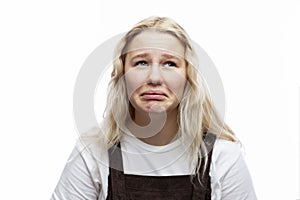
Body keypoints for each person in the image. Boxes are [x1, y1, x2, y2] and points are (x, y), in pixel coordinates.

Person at [51, 16, 257, 200]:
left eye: (170, 64)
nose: (155, 78)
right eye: (141, 62)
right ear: (123, 76)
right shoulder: (93, 153)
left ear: (188, 77)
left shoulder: (223, 156)